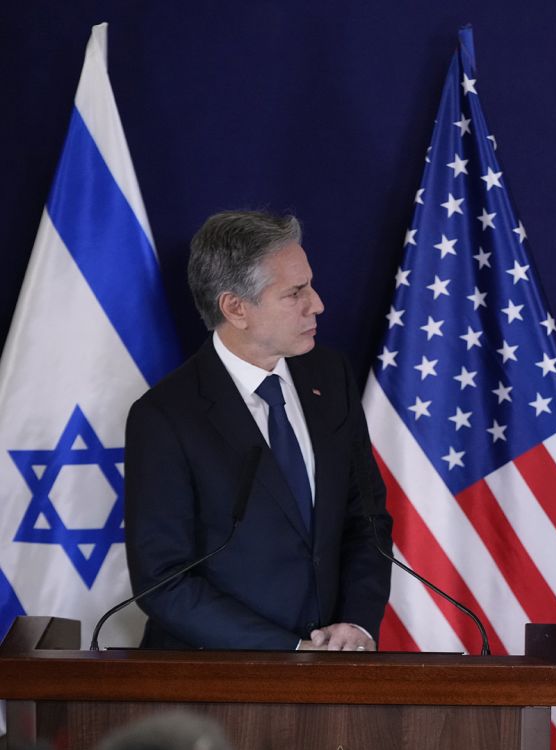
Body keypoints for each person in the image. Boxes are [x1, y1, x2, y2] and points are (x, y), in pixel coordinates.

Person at [125, 211, 391, 651]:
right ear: (235, 308)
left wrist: (356, 623)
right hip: (212, 681)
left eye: (310, 284)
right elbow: (164, 581)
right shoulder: (165, 417)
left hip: (332, 672)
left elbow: (366, 519)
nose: (318, 304)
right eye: (295, 293)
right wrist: (289, 650)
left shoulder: (332, 376)